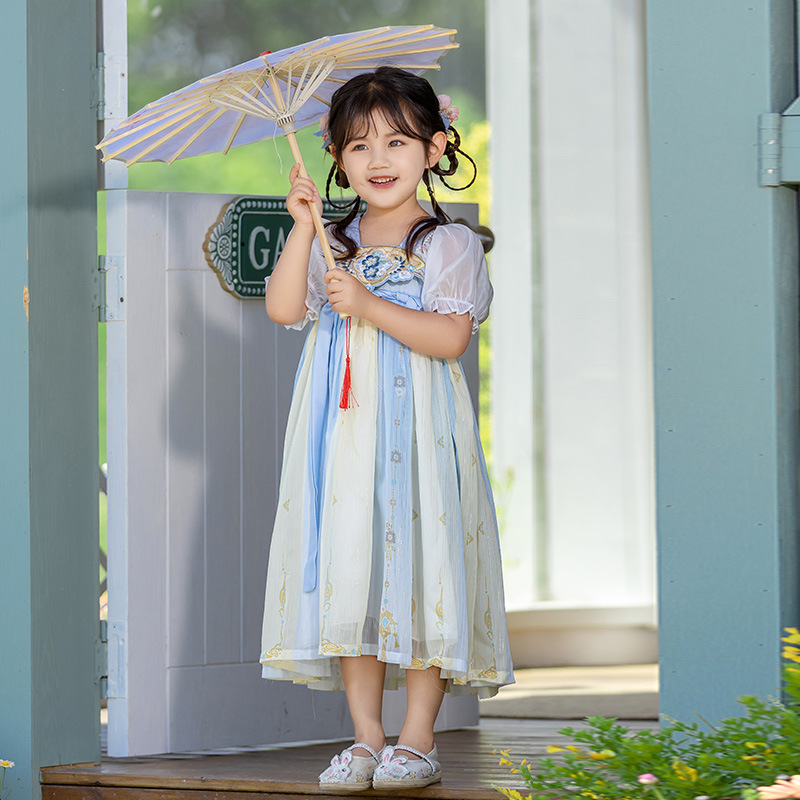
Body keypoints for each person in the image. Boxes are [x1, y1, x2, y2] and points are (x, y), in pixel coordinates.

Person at [259, 66, 513, 793]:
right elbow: (284, 308)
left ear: (434, 149)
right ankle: (366, 735)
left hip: (418, 435)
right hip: (342, 435)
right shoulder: (331, 238)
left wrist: (369, 305)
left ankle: (417, 737)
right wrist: (302, 229)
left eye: (397, 142)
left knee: (422, 561)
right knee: (353, 569)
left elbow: (449, 339)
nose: (378, 159)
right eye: (358, 145)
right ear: (336, 159)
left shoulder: (447, 242)